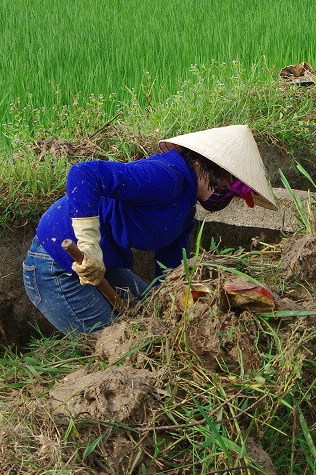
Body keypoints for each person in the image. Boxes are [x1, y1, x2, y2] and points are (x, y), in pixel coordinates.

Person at [23, 124, 277, 333]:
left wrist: (189, 299)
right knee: (118, 343)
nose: (226, 197)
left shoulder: (185, 207)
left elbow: (171, 267)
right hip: (57, 265)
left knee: (154, 317)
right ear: (207, 165)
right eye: (231, 189)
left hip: (104, 266)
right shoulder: (164, 175)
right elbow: (85, 173)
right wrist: (88, 244)